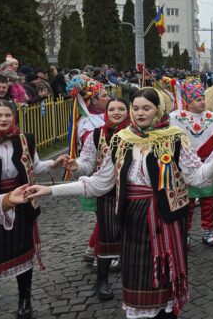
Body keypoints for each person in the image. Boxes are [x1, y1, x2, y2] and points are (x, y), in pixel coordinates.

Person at [26, 87, 213, 319]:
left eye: (146, 108)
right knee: (136, 274)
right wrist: (49, 190)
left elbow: (196, 176)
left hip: (165, 217)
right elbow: (99, 183)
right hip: (132, 217)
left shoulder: (175, 137)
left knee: (164, 278)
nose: (140, 113)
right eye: (135, 108)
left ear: (159, 110)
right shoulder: (121, 140)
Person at [0, 100, 67, 319]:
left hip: (24, 205)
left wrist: (52, 165)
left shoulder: (24, 139)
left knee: (24, 254)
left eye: (8, 115)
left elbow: (33, 166)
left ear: (14, 117)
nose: (4, 119)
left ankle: (24, 300)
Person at [65, 98, 130, 300]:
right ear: (106, 112)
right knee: (107, 234)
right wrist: (77, 166)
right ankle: (101, 280)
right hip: (107, 192)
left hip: (135, 191)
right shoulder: (96, 134)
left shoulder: (138, 132)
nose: (117, 112)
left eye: (121, 109)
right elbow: (86, 161)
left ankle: (135, 277)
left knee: (135, 235)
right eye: (112, 109)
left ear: (129, 111)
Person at [169, 79, 213, 247]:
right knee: (187, 203)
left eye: (203, 98)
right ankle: (185, 233)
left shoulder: (211, 117)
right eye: (198, 99)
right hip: (185, 167)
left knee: (208, 201)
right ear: (188, 102)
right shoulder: (177, 117)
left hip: (208, 164)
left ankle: (207, 232)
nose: (202, 102)